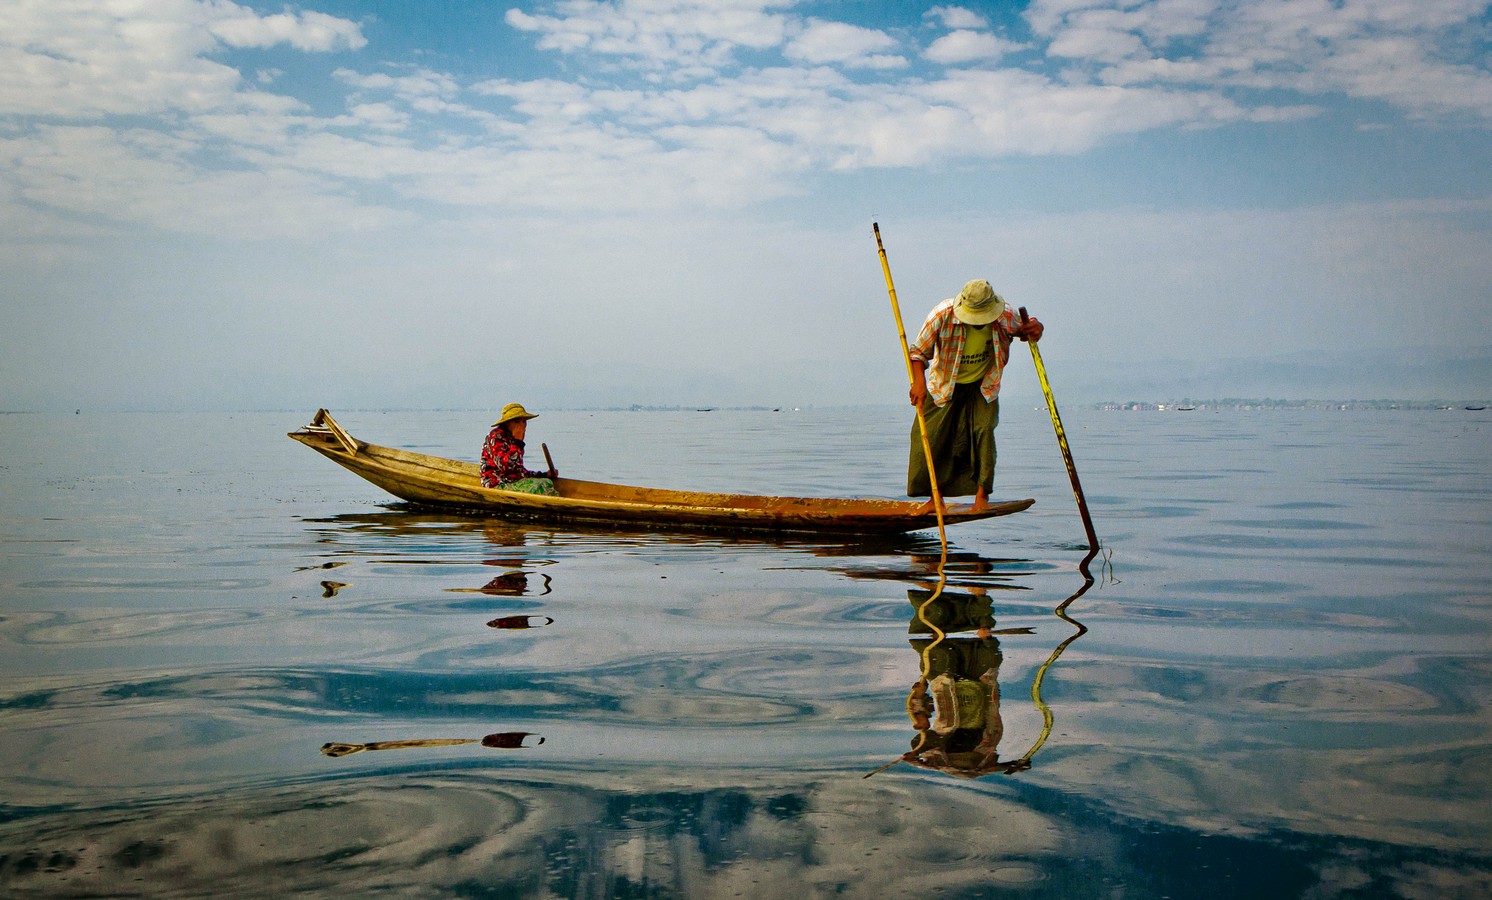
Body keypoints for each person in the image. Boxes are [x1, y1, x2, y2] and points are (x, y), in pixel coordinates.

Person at [907, 279, 1042, 512]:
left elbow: (1027, 330)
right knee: (927, 436)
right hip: (944, 385)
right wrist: (918, 382)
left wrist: (1036, 328)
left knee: (983, 431)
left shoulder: (1005, 314)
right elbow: (918, 353)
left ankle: (982, 497)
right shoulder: (942, 314)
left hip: (983, 385)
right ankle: (934, 499)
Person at [481, 403, 559, 494]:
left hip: (513, 481)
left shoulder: (512, 438)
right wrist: (517, 443)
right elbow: (507, 467)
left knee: (547, 481)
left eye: (524, 421)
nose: (522, 426)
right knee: (542, 485)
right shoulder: (496, 437)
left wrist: (544, 475)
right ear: (508, 422)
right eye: (517, 422)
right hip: (497, 484)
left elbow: (518, 471)